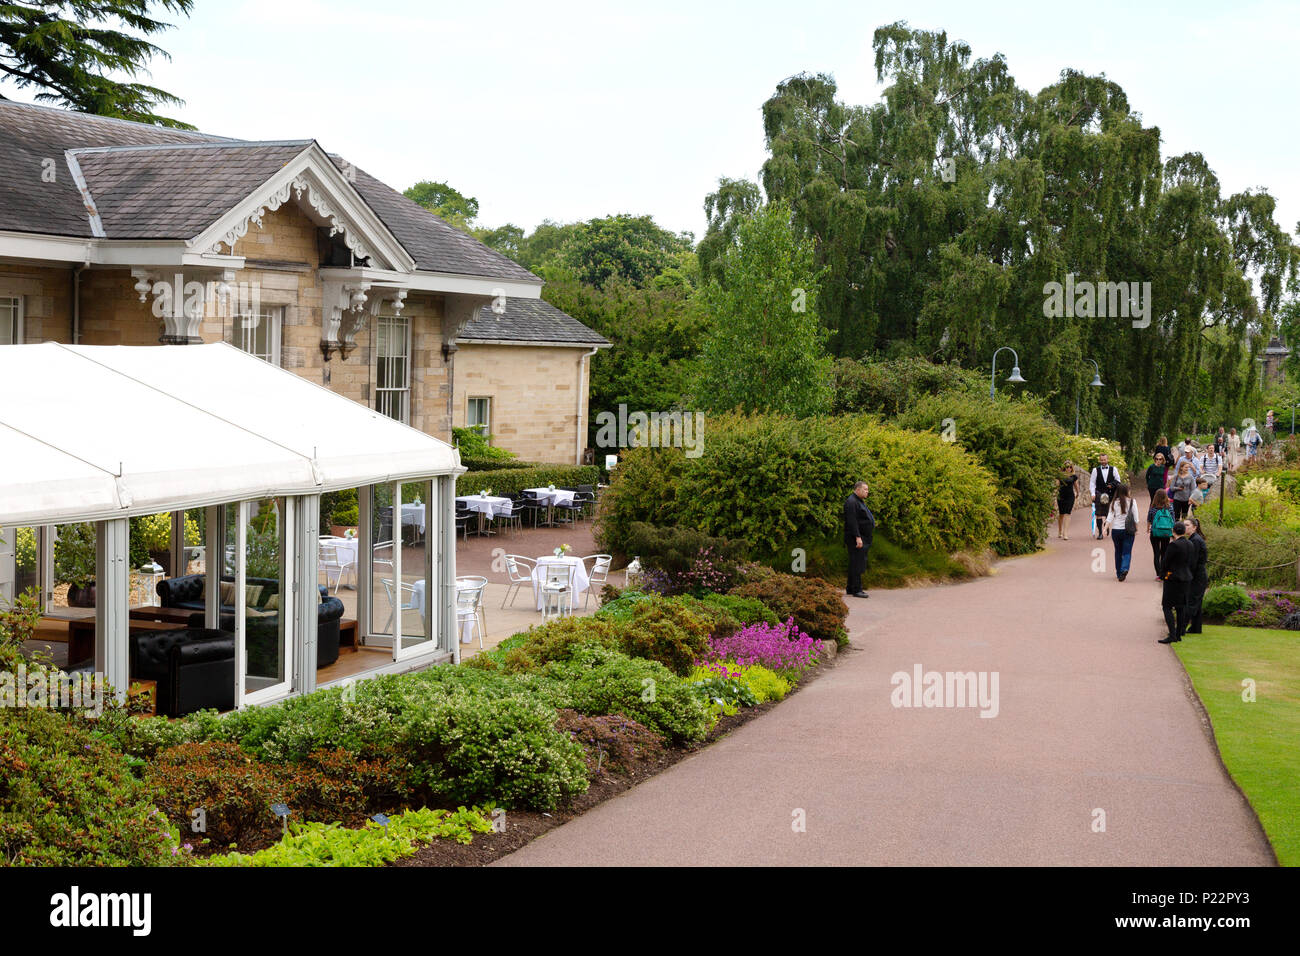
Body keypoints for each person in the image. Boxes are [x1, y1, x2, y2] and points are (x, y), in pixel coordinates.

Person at [1159, 522, 1195, 644]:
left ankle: (1173, 634)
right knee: (1181, 607)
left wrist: (1163, 574)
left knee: (1167, 606)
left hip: (1174, 578)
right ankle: (1179, 633)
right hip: (1186, 577)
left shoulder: (1173, 545)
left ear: (1173, 532)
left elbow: (1165, 562)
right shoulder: (1190, 544)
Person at [843, 480, 874, 599]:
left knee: (855, 562)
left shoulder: (858, 501)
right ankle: (857, 589)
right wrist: (858, 537)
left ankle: (850, 587)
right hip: (856, 538)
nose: (867, 492)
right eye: (865, 489)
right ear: (858, 489)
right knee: (857, 563)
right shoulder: (851, 502)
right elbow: (852, 522)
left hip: (862, 537)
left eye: (867, 489)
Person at [1102, 483, 1139, 581]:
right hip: (1128, 531)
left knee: (1118, 552)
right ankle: (1124, 568)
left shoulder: (1114, 502)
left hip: (1116, 530)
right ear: (1127, 491)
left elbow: (1109, 517)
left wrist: (1105, 529)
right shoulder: (1132, 502)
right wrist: (1136, 529)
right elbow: (1136, 517)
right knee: (1127, 551)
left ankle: (1119, 573)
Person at [1184, 517, 1209, 634]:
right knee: (1196, 603)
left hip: (1197, 576)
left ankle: (1180, 629)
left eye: (1187, 525)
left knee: (1191, 603)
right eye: (1184, 525)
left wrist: (1186, 576)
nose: (1185, 527)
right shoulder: (1194, 539)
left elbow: (1193, 562)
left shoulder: (1195, 541)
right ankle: (1196, 628)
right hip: (1198, 575)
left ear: (1194, 527)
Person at [1090, 454, 1120, 539]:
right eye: (1101, 460)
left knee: (1108, 513)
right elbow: (1092, 483)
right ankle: (1100, 533)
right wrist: (1093, 493)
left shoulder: (1113, 469)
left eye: (1104, 460)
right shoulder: (1095, 470)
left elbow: (1118, 480)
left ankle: (1106, 526)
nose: (1103, 461)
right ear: (1100, 460)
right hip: (1099, 493)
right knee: (1098, 514)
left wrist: (1112, 484)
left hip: (1110, 494)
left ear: (1107, 460)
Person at [1148, 488, 1175, 579]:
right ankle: (1164, 573)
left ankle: (1158, 573)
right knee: (1164, 552)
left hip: (1155, 532)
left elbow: (1149, 519)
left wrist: (1148, 528)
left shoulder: (1153, 507)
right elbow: (1173, 520)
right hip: (1166, 532)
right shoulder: (1170, 507)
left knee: (1156, 553)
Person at [1056, 461, 1079, 540]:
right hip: (1061, 496)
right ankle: (1060, 530)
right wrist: (1055, 493)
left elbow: (1076, 485)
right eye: (1067, 467)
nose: (1068, 468)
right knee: (1061, 514)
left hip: (1070, 496)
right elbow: (1057, 485)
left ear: (1072, 468)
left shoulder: (1074, 476)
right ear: (1064, 468)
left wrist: (1078, 493)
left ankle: (1065, 533)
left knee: (1068, 513)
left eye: (1070, 467)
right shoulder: (1060, 476)